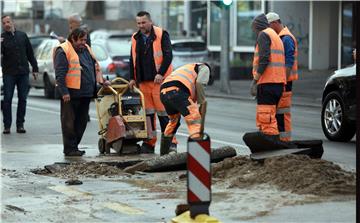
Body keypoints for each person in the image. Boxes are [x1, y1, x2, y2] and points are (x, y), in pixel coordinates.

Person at [53, 28, 108, 156]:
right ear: (73, 38)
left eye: (85, 39)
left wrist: (102, 81)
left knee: (81, 122)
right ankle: (70, 149)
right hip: (70, 93)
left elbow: (94, 68)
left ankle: (74, 146)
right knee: (69, 122)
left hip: (85, 92)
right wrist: (64, 92)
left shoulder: (86, 49)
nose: (84, 42)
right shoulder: (63, 50)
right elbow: (60, 74)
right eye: (81, 40)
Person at [129, 11, 176, 154]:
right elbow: (132, 59)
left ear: (150, 21)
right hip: (143, 81)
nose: (141, 26)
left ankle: (170, 143)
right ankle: (149, 143)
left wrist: (160, 73)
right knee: (148, 115)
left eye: (143, 22)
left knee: (164, 114)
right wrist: (132, 78)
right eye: (138, 23)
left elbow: (168, 55)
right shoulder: (135, 37)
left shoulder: (162, 34)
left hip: (159, 81)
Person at [159, 63, 211, 155]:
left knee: (173, 122)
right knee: (194, 120)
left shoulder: (188, 68)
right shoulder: (204, 67)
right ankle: (198, 156)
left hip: (164, 93)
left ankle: (163, 154)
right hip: (177, 91)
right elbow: (200, 83)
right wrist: (201, 103)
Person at [250, 13, 286, 140]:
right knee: (271, 118)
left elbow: (264, 59)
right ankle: (273, 145)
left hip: (267, 83)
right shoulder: (275, 36)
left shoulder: (263, 34)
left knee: (266, 119)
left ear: (258, 26)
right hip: (278, 83)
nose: (254, 32)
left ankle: (270, 149)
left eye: (254, 28)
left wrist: (255, 80)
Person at [1, 15, 39, 134]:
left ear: (13, 22)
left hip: (23, 73)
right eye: (4, 23)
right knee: (7, 99)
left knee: (23, 99)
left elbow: (30, 53)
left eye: (8, 22)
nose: (6, 24)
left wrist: (35, 68)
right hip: (9, 73)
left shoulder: (22, 35)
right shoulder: (1, 38)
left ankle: (20, 125)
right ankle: (7, 126)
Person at [266, 12, 298, 142]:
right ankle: (281, 140)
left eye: (268, 26)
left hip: (285, 82)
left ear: (274, 23)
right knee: (279, 113)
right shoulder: (281, 37)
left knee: (282, 113)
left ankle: (285, 142)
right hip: (282, 81)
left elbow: (288, 62)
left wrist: (282, 82)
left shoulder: (286, 38)